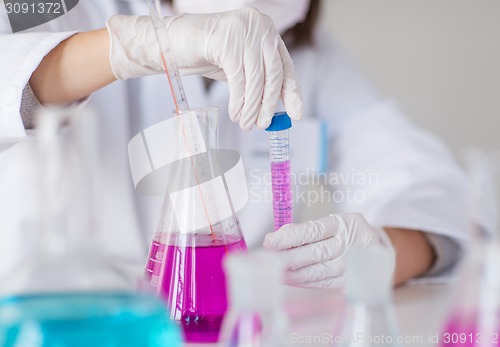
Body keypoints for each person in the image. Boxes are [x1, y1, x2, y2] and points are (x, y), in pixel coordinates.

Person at [0, 0, 470, 288]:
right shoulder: (75, 6)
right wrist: (129, 48)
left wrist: (382, 253)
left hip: (231, 323)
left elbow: (425, 188)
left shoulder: (311, 55)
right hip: (65, 317)